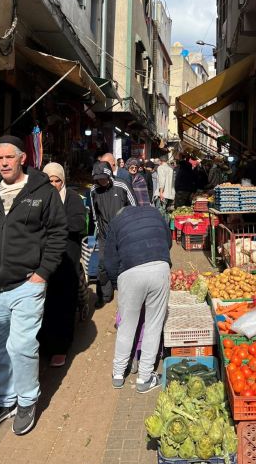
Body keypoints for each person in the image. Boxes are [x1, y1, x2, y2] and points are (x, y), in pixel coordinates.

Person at [0, 135, 68, 435]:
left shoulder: (41, 191)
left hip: (27, 285)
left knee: (22, 345)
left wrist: (41, 274)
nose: (3, 163)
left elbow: (58, 233)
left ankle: (27, 400)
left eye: (9, 157)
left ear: (22, 158)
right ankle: (4, 400)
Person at [104, 205, 171, 392]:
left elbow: (109, 260)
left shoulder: (116, 222)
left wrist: (118, 285)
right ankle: (145, 378)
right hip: (159, 267)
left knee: (126, 325)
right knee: (153, 325)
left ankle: (118, 374)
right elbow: (168, 241)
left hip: (130, 273)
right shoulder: (155, 212)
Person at [38, 163, 86, 367]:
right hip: (43, 259)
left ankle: (61, 347)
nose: (54, 184)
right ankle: (44, 344)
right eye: (50, 180)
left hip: (67, 258)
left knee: (64, 302)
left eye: (58, 180)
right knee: (43, 303)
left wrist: (54, 224)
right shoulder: (38, 199)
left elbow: (78, 224)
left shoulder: (73, 199)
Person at [90, 161, 137, 308]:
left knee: (126, 264)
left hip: (123, 233)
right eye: (98, 179)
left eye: (103, 178)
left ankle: (129, 295)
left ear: (110, 175)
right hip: (104, 234)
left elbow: (134, 207)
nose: (101, 181)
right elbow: (94, 214)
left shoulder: (122, 186)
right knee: (103, 265)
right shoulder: (93, 190)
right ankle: (104, 295)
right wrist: (99, 230)